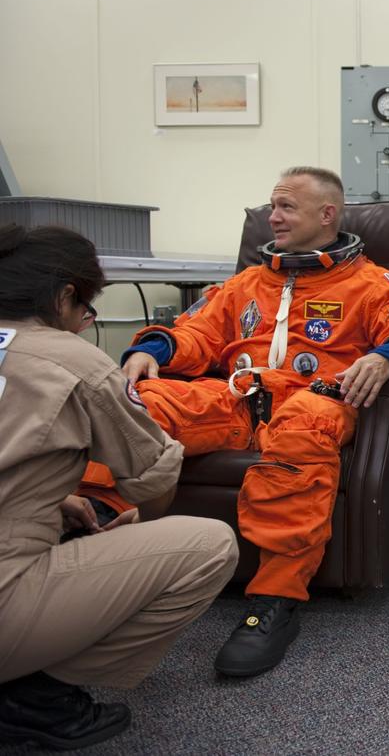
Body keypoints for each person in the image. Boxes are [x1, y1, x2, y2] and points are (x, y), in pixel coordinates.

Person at [101, 165, 389, 679]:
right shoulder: (246, 284)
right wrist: (153, 349)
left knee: (304, 427)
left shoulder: (372, 284)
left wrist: (384, 357)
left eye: (286, 207)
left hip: (315, 402)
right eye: (272, 206)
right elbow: (196, 332)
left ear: (327, 215)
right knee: (134, 404)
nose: (273, 217)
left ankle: (274, 600)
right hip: (237, 398)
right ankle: (86, 535)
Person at [0, 224, 238, 750]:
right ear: (64, 297)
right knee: (210, 545)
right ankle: (32, 696)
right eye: (87, 310)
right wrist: (139, 521)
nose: (84, 322)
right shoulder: (74, 360)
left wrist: (47, 498)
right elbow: (154, 482)